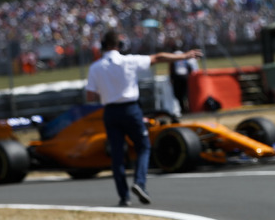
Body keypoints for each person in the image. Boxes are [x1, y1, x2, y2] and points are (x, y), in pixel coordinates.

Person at [85, 30, 202, 206]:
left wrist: (107, 88)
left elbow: (90, 97)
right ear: (120, 45)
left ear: (103, 46)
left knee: (117, 155)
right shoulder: (129, 61)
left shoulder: (95, 67)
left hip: (110, 112)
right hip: (131, 109)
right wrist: (184, 56)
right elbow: (159, 57)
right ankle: (140, 183)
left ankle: (124, 197)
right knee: (144, 147)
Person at [169, 49, 199, 113]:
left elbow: (171, 70)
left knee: (182, 94)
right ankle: (184, 108)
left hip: (180, 78)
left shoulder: (177, 61)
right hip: (183, 77)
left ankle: (185, 108)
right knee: (182, 94)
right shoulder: (185, 60)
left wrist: (171, 78)